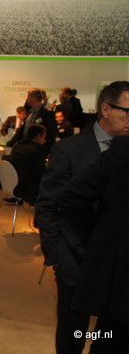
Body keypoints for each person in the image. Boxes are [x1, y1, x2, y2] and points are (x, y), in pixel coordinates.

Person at [35, 81, 129, 354]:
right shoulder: (69, 149)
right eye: (127, 112)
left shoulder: (125, 151)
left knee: (110, 331)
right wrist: (55, 254)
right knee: (73, 330)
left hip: (115, 263)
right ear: (106, 110)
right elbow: (48, 204)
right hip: (76, 256)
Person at [57, 136, 129, 353]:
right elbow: (70, 197)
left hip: (118, 282)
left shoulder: (123, 149)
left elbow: (72, 197)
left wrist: (101, 239)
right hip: (118, 284)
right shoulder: (122, 149)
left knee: (109, 337)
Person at [3, 124, 46, 205]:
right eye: (44, 137)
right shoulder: (37, 150)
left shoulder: (18, 145)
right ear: (38, 136)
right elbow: (41, 172)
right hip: (29, 189)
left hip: (14, 183)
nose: (45, 140)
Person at [8, 88, 57, 155]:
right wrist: (10, 143)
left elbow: (51, 135)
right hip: (25, 149)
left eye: (28, 97)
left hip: (38, 152)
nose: (26, 99)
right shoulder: (30, 112)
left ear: (33, 98)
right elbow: (22, 130)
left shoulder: (48, 113)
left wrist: (45, 152)